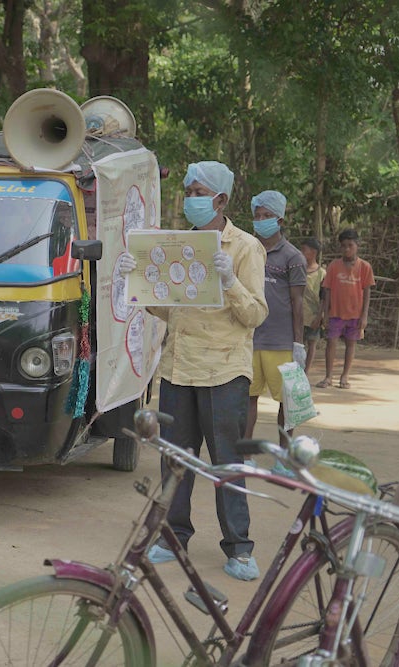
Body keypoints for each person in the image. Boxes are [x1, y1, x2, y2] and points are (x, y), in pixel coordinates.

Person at [117, 161, 267, 581]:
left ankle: (239, 547)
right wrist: (139, 282)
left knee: (226, 461)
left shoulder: (245, 248)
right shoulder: (179, 246)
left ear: (220, 200)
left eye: (199, 191)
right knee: (175, 460)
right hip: (179, 367)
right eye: (188, 191)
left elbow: (255, 313)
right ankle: (172, 536)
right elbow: (169, 308)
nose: (191, 199)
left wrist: (230, 281)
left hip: (223, 370)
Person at [243, 190, 307, 441]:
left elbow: (297, 301)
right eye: (257, 216)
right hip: (250, 338)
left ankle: (285, 454)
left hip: (281, 342)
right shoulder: (247, 249)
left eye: (267, 215)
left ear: (280, 220)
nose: (261, 220)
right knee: (248, 399)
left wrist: (298, 343)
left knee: (286, 402)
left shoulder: (293, 257)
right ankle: (245, 451)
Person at [316, 228, 374, 389]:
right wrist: (325, 313)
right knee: (331, 343)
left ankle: (345, 376)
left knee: (351, 344)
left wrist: (364, 315)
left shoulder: (365, 267)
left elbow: (367, 291)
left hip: (355, 313)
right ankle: (328, 377)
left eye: (350, 245)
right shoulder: (334, 266)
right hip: (336, 312)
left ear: (357, 245)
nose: (347, 249)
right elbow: (327, 290)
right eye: (344, 246)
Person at [300, 237, 326, 371]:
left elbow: (324, 298)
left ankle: (306, 372)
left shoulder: (322, 274)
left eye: (304, 250)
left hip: (314, 315)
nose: (301, 252)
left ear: (314, 252)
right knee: (298, 344)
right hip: (298, 313)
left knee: (311, 343)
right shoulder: (298, 269)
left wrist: (320, 316)